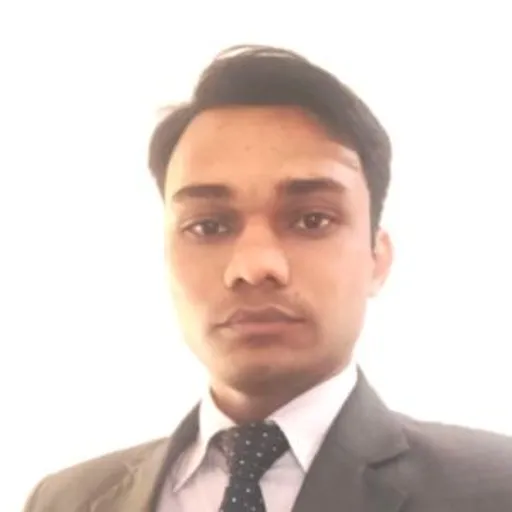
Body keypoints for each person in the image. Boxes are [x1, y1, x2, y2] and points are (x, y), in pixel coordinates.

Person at [24, 45, 512, 512]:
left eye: (312, 220)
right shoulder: (63, 501)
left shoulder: (495, 489)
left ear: (377, 259)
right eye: (208, 226)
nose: (255, 266)